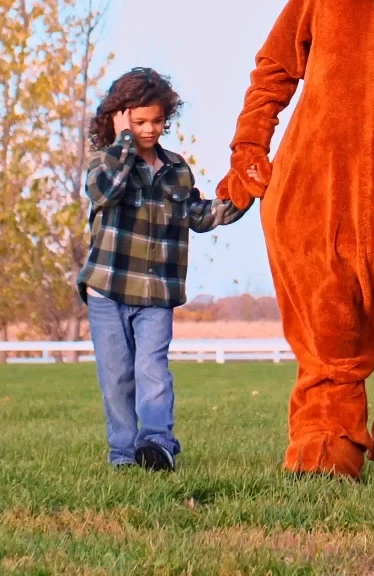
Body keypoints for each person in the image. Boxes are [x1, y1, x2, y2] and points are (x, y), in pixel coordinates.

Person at [81, 67, 255, 472]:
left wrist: (241, 198)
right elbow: (103, 193)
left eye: (157, 121)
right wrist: (123, 141)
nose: (149, 129)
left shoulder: (176, 168)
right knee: (118, 378)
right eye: (139, 121)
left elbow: (199, 214)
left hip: (157, 293)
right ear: (119, 117)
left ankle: (157, 445)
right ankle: (123, 454)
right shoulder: (105, 162)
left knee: (153, 370)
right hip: (108, 290)